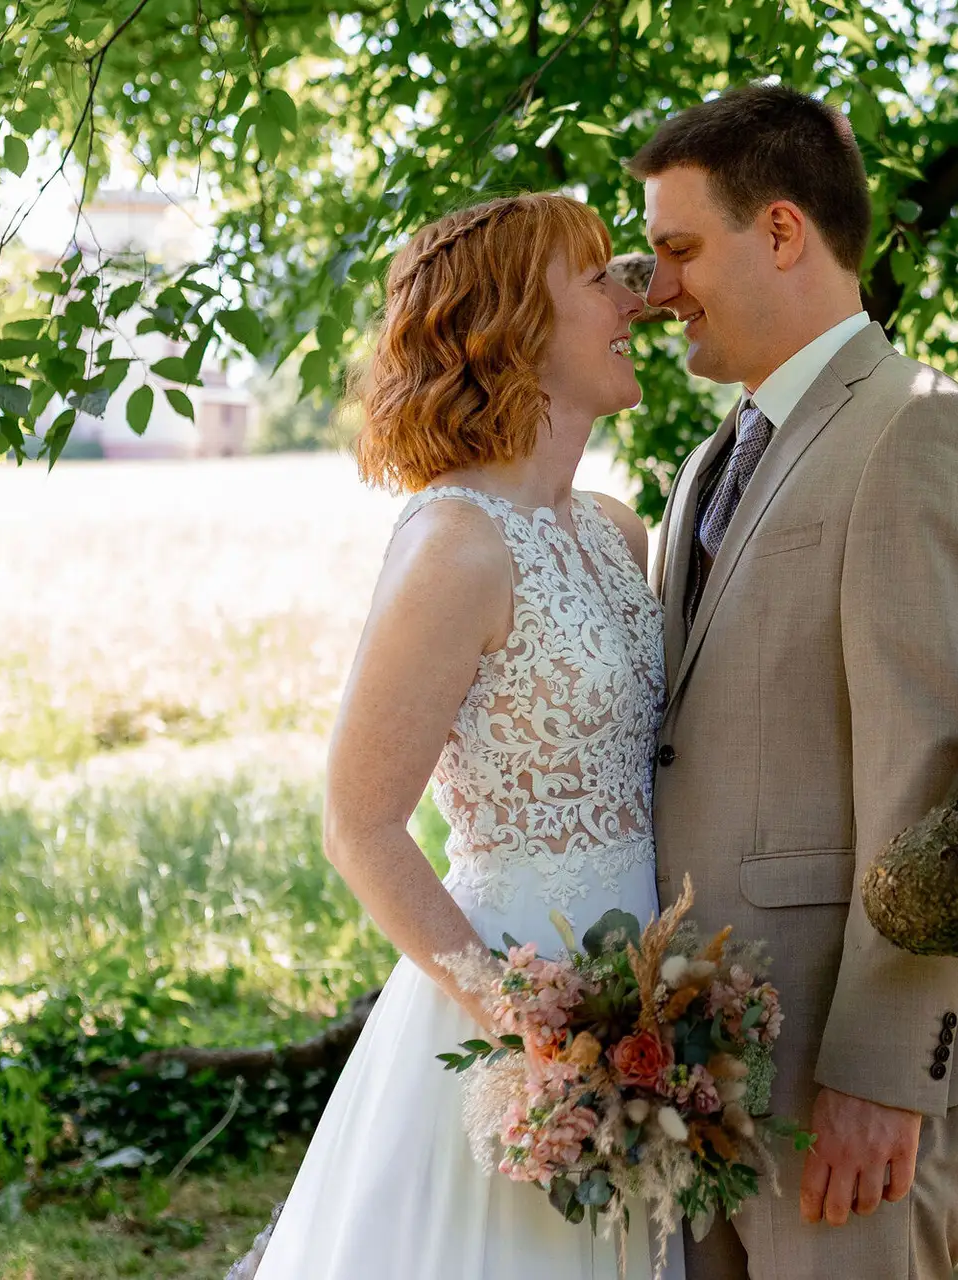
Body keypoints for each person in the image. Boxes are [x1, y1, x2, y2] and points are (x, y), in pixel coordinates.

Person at [631, 85, 958, 1279]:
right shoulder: (708, 461)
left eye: (678, 249)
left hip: (836, 1062)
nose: (656, 291)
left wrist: (883, 1065)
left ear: (780, 231)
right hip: (697, 1053)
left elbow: (933, 771)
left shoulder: (919, 429)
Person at [247, 192, 681, 1280]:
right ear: (513, 328)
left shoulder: (615, 531)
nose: (632, 299)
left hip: (645, 992)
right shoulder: (455, 545)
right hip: (513, 1003)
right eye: (597, 280)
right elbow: (359, 824)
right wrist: (524, 1027)